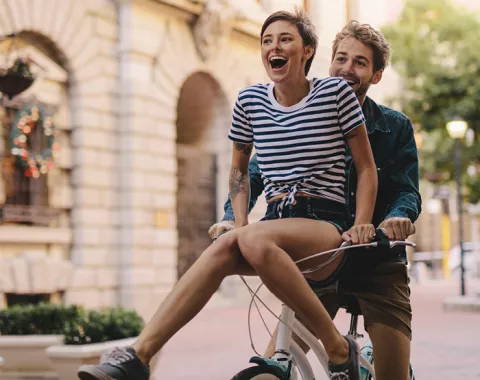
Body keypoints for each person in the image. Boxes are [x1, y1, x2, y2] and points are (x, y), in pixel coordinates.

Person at [77, 9, 378, 380]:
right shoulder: (250, 101)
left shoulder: (334, 93)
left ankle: (335, 346)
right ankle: (139, 357)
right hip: (274, 226)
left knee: (248, 236)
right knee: (222, 248)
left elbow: (365, 167)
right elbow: (238, 170)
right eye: (267, 41)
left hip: (325, 227)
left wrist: (362, 223)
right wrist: (238, 225)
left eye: (285, 39)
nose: (274, 47)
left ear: (307, 51)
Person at [211, 21, 422, 380]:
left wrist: (395, 218)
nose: (346, 69)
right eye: (341, 59)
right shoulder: (307, 115)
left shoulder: (394, 126)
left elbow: (406, 189)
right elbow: (254, 175)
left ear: (377, 75)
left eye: (359, 62)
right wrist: (233, 219)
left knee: (393, 374)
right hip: (319, 260)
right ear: (329, 63)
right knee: (275, 360)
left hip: (376, 261)